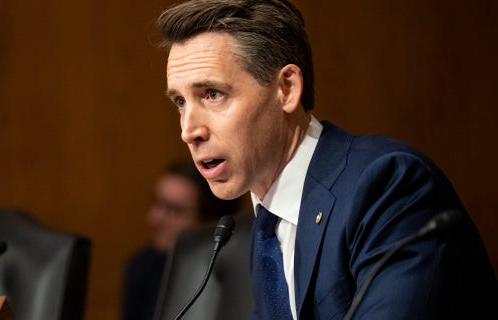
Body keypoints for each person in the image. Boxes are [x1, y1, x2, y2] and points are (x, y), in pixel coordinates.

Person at [155, 1, 498, 319]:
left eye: (212, 94)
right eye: (180, 103)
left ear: (287, 89)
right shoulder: (265, 223)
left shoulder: (388, 186)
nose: (189, 130)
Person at [121, 158, 242, 320]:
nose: (154, 218)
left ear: (214, 222)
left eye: (173, 211)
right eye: (156, 203)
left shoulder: (240, 277)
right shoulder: (143, 266)